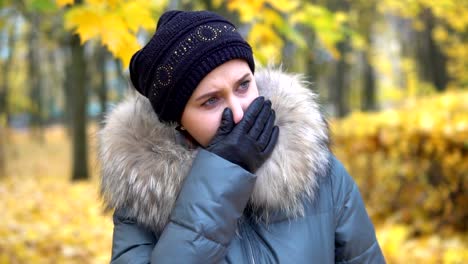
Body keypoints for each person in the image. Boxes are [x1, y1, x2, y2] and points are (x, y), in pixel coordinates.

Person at [99, 10, 386, 263]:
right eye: (211, 101)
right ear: (179, 123)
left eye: (243, 85)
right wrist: (223, 174)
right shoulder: (142, 202)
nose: (238, 113)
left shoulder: (322, 175)